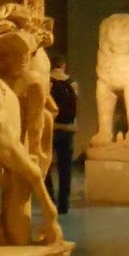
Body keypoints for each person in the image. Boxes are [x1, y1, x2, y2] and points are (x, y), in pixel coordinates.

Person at [47, 52, 79, 214]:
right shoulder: (72, 83)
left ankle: (50, 200)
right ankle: (64, 205)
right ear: (63, 65)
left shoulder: (47, 82)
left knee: (46, 167)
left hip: (50, 129)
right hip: (68, 129)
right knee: (65, 169)